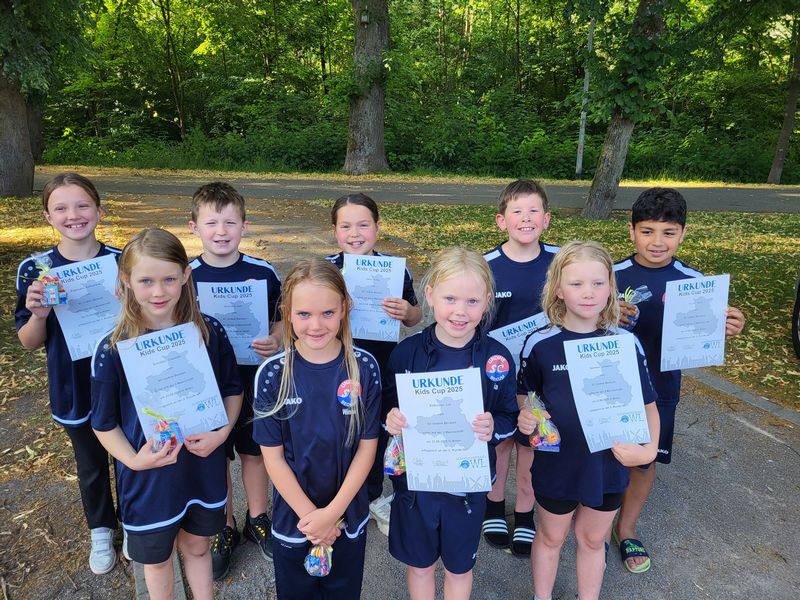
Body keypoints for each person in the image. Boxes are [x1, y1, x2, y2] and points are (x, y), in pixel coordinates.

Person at [91, 228, 243, 600]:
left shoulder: (208, 332)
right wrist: (134, 461)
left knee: (198, 547)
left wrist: (222, 434)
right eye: (146, 281)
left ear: (186, 275)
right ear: (126, 280)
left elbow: (233, 390)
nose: (158, 291)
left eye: (169, 279)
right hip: (149, 479)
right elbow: (103, 423)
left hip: (202, 467)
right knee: (158, 561)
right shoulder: (113, 348)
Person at [517, 240, 660, 600]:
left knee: (593, 539)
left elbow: (648, 406)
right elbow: (526, 394)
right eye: (576, 283)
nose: (588, 292)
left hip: (607, 464)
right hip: (558, 464)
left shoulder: (626, 343)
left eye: (598, 283)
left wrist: (648, 451)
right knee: (551, 536)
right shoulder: (539, 343)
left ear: (610, 287)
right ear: (558, 289)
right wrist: (527, 415)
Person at [612, 188, 745, 573]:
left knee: (644, 461)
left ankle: (626, 528)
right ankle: (595, 526)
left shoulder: (695, 284)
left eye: (668, 232)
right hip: (612, 389)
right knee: (604, 455)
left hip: (661, 389)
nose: (657, 241)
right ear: (631, 231)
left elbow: (702, 335)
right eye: (647, 231)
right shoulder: (609, 276)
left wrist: (726, 326)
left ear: (683, 233)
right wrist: (606, 313)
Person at [384, 247, 519, 600]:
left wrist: (494, 427)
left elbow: (509, 416)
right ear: (429, 295)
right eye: (450, 299)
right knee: (420, 566)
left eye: (472, 301)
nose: (460, 311)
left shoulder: (497, 357)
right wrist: (391, 419)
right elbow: (385, 408)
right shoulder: (406, 354)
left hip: (467, 489)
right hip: (417, 488)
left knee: (459, 569)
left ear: (487, 302)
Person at [252, 258, 381, 600]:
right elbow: (273, 459)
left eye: (327, 313)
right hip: (295, 520)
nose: (316, 325)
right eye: (304, 314)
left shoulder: (364, 367)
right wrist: (314, 520)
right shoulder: (272, 374)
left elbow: (367, 449)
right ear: (287, 314)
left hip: (347, 514)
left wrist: (332, 516)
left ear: (344, 309)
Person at [15, 172, 120, 575]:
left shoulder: (122, 260)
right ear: (48, 216)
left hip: (123, 382)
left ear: (99, 210)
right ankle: (101, 528)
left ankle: (132, 522)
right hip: (73, 385)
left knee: (128, 458)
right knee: (91, 463)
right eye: (61, 207)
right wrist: (39, 314)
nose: (73, 215)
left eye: (82, 205)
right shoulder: (36, 269)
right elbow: (28, 341)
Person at [188, 182, 283, 578]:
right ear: (194, 227)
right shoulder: (185, 275)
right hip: (206, 385)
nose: (221, 231)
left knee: (254, 451)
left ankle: (256, 518)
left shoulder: (262, 272)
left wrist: (276, 340)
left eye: (230, 222)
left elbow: (282, 319)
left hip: (252, 379)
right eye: (211, 223)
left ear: (245, 226)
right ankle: (224, 525)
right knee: (216, 454)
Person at [325, 193, 422, 534]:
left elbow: (415, 316)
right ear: (335, 231)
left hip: (381, 365)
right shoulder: (325, 269)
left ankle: (372, 495)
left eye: (363, 225)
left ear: (377, 228)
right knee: (337, 427)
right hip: (335, 365)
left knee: (376, 430)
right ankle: (335, 494)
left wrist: (407, 312)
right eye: (346, 226)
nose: (355, 233)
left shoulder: (395, 269)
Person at [482, 179, 559, 556]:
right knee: (500, 443)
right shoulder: (486, 266)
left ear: (546, 219)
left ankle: (525, 512)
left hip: (544, 375)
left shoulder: (561, 261)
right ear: (502, 220)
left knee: (531, 444)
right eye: (517, 211)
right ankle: (493, 505)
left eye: (533, 211)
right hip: (498, 376)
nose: (526, 218)